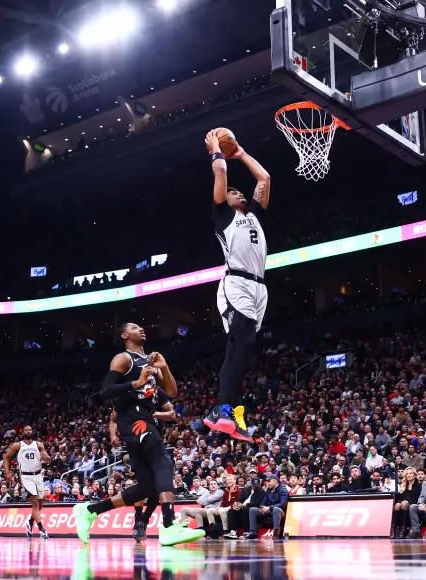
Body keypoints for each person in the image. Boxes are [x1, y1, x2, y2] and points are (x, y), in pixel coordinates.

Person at [73, 322, 204, 547]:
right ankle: (169, 526)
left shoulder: (149, 364)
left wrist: (164, 367)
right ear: (124, 335)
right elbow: (105, 391)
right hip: (134, 422)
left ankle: (90, 510)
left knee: (148, 487)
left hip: (145, 422)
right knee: (163, 462)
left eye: (141, 327)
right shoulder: (124, 359)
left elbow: (171, 392)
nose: (141, 329)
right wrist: (136, 382)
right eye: (134, 328)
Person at [203, 129, 271, 441]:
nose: (239, 193)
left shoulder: (254, 215)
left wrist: (241, 152)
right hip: (237, 284)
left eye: (239, 192)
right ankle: (222, 409)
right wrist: (216, 148)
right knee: (243, 345)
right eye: (233, 192)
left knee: (238, 351)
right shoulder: (223, 217)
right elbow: (219, 170)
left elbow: (264, 179)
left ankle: (234, 415)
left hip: (259, 288)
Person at [109, 390, 177, 542]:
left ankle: (145, 520)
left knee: (157, 486)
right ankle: (139, 519)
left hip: (154, 442)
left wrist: (152, 414)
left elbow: (173, 414)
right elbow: (113, 419)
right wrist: (113, 435)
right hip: (136, 447)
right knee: (144, 485)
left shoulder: (157, 393)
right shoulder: (127, 395)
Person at [4, 426, 52, 539]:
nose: (29, 431)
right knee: (35, 504)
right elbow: (6, 457)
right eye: (26, 430)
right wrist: (8, 472)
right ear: (22, 432)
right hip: (26, 477)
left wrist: (47, 458)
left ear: (32, 432)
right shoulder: (17, 445)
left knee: (40, 505)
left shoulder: (39, 444)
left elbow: (48, 459)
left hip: (39, 475)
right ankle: (42, 529)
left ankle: (30, 522)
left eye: (30, 430)